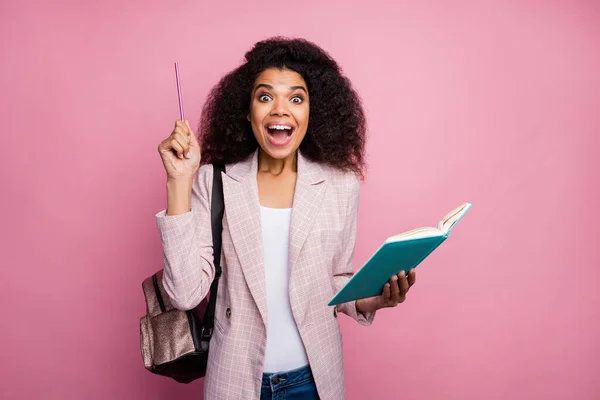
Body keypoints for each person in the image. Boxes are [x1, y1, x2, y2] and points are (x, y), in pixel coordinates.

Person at [155, 37, 417, 400]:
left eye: (296, 98)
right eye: (265, 97)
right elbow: (184, 294)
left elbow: (337, 279)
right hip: (235, 381)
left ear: (312, 111)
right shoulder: (213, 181)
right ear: (247, 111)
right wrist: (178, 181)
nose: (280, 109)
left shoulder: (340, 184)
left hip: (313, 381)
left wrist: (374, 298)